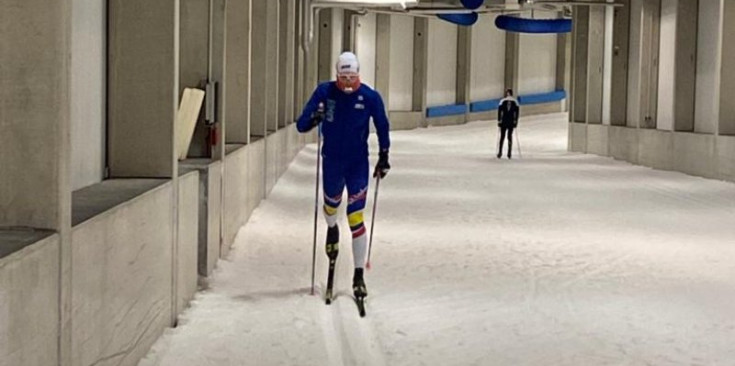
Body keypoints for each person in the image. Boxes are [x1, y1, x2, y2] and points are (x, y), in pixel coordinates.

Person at [296, 51, 391, 300]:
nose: (348, 83)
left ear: (359, 74)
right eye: (343, 77)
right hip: (332, 161)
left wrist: (384, 154)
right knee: (331, 206)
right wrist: (314, 119)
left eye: (352, 77)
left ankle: (358, 274)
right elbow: (301, 124)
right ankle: (331, 228)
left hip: (357, 163)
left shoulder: (370, 96)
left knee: (355, 215)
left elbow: (382, 125)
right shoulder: (324, 92)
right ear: (336, 75)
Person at [497, 88, 519, 159]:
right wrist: (499, 120)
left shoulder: (513, 102)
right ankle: (500, 152)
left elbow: (516, 113)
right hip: (505, 121)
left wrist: (515, 122)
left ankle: (509, 152)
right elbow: (499, 112)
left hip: (508, 122)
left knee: (508, 136)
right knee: (503, 137)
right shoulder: (504, 101)